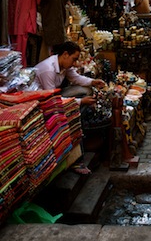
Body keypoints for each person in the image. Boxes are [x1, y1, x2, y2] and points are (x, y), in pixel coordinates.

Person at [35, 40, 106, 174]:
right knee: (76, 108)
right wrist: (80, 102)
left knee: (87, 90)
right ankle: (76, 155)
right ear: (65, 54)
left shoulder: (64, 65)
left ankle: (79, 120)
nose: (74, 63)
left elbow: (76, 78)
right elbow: (52, 101)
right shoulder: (48, 69)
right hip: (43, 102)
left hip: (54, 95)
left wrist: (93, 82)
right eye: (74, 59)